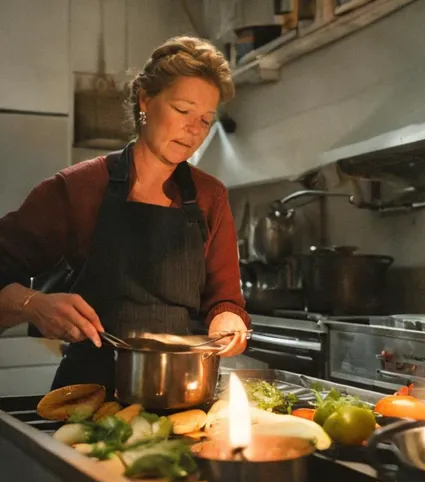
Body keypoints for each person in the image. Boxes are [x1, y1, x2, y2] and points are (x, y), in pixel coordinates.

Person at [0, 36, 250, 397]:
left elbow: (225, 300)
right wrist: (33, 304)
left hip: (182, 394)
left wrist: (228, 319)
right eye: (182, 111)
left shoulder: (211, 196)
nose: (194, 130)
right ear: (145, 100)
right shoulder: (80, 187)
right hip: (88, 396)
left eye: (205, 120)